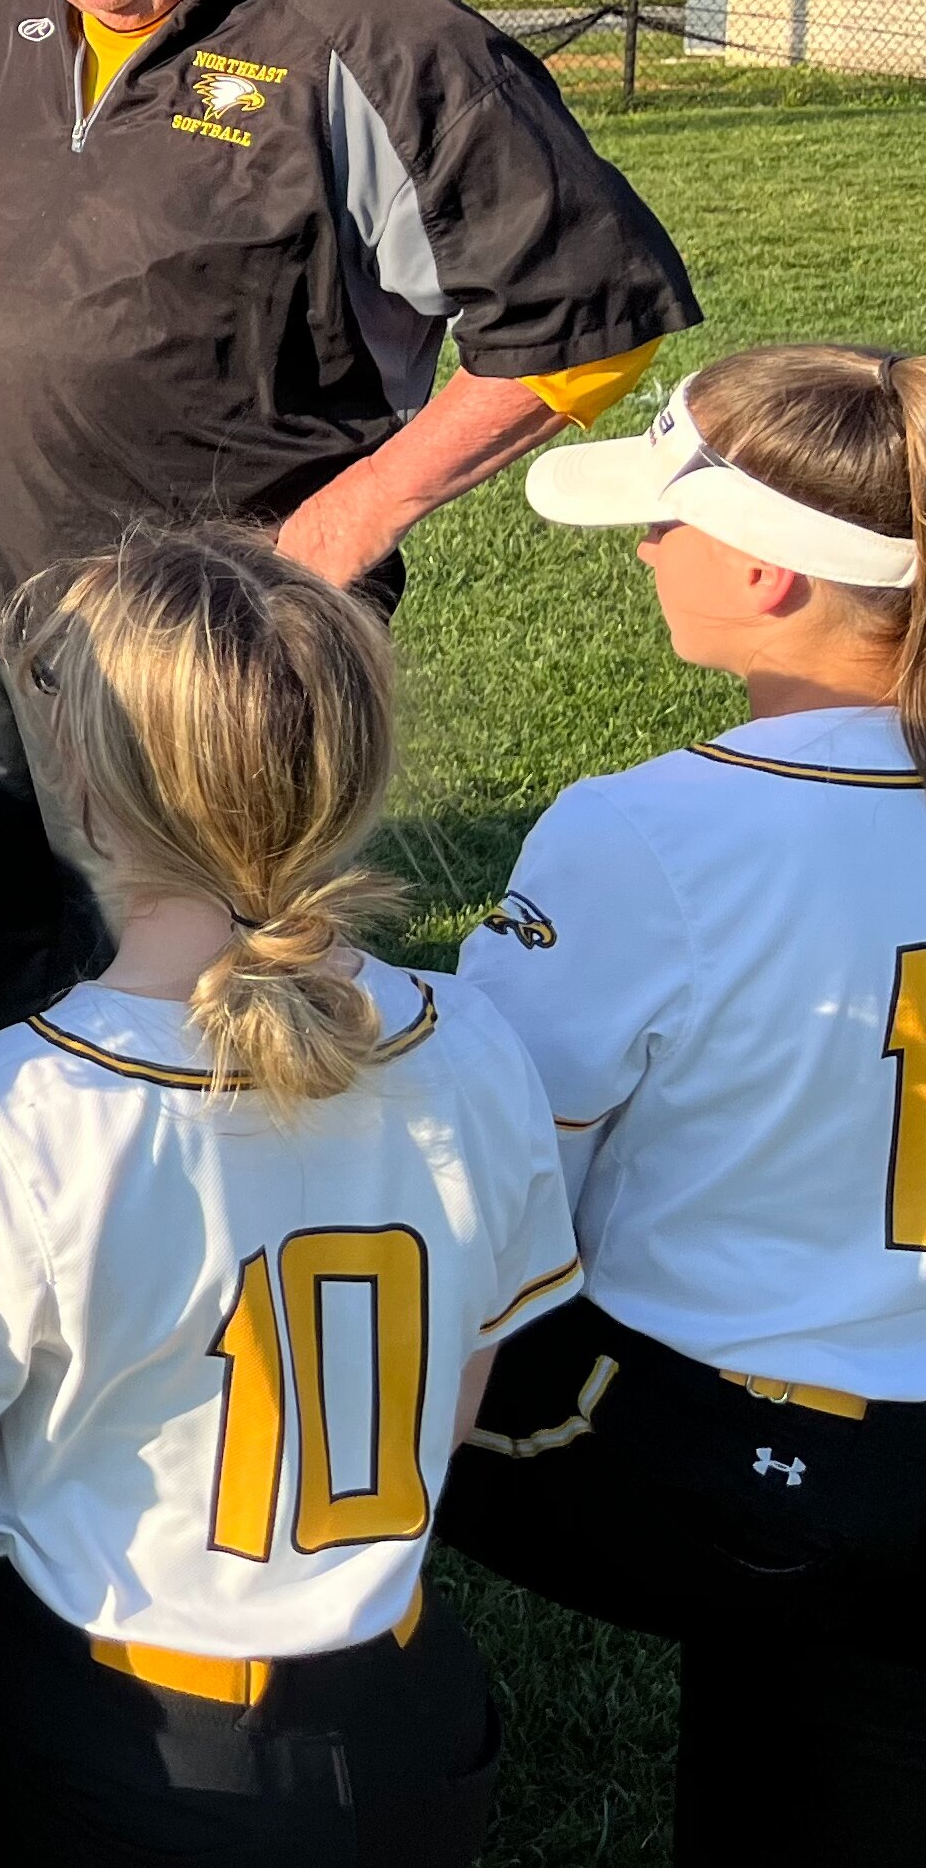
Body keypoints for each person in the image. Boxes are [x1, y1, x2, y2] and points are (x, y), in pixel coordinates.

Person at [0, 0, 701, 1051]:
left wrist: (346, 521)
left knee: (205, 1022)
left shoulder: (364, 28)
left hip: (204, 653)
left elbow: (588, 317)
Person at [0, 523, 578, 1867]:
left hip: (122, 1735)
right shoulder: (478, 1040)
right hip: (404, 1706)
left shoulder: (14, 1110)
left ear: (91, 793)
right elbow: (455, 1399)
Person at [439, 344, 926, 1863]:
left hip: (742, 1471)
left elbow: (500, 1174)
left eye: (668, 517)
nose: (648, 546)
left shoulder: (646, 829)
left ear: (776, 577)